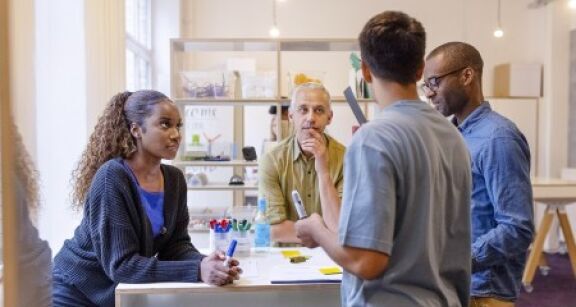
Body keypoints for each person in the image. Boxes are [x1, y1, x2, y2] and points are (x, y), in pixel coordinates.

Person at [295, 11, 472, 306]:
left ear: (365, 71)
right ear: (419, 70)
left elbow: (366, 262)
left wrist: (315, 228)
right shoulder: (452, 135)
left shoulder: (372, 139)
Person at [52, 90, 241, 306]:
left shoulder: (175, 179)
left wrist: (208, 262)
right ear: (135, 129)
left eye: (178, 126)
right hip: (75, 289)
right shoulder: (112, 177)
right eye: (164, 124)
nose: (175, 134)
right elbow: (122, 265)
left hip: (116, 293)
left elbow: (176, 247)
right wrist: (198, 270)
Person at [423, 42, 534, 306]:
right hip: (453, 286)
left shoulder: (498, 138)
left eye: (434, 82)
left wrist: (457, 261)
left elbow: (517, 227)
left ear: (467, 76)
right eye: (425, 85)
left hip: (484, 292)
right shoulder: (453, 135)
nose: (429, 93)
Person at [259, 82, 345, 244]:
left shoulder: (346, 159)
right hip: (284, 259)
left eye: (319, 110)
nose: (311, 118)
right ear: (291, 116)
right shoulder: (271, 160)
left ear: (330, 117)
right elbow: (274, 229)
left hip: (331, 259)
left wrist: (323, 169)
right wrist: (322, 235)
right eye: (303, 110)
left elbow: (340, 226)